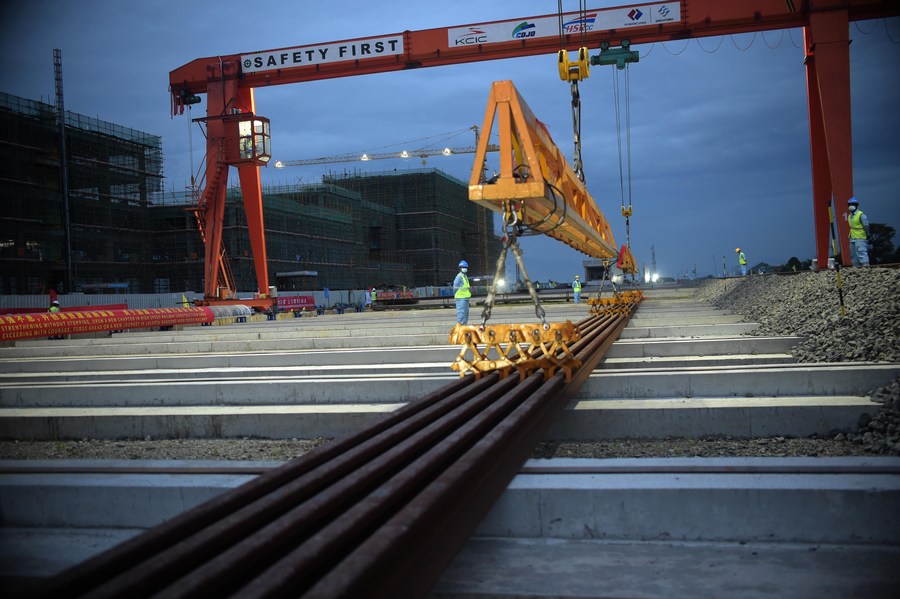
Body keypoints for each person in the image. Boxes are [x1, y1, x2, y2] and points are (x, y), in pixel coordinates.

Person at [847, 197, 870, 267]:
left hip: (860, 237)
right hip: (852, 237)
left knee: (862, 253)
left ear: (856, 205)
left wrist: (867, 234)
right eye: (849, 204)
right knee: (853, 255)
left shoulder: (861, 215)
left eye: (853, 204)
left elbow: (866, 226)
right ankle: (856, 269)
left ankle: (865, 267)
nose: (851, 206)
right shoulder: (850, 216)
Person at [453, 260, 471, 325]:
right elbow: (455, 288)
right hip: (460, 298)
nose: (465, 268)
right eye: (463, 267)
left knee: (465, 315)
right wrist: (455, 296)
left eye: (466, 267)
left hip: (466, 298)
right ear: (460, 268)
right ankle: (459, 327)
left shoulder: (465, 276)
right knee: (461, 314)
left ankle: (464, 328)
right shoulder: (459, 276)